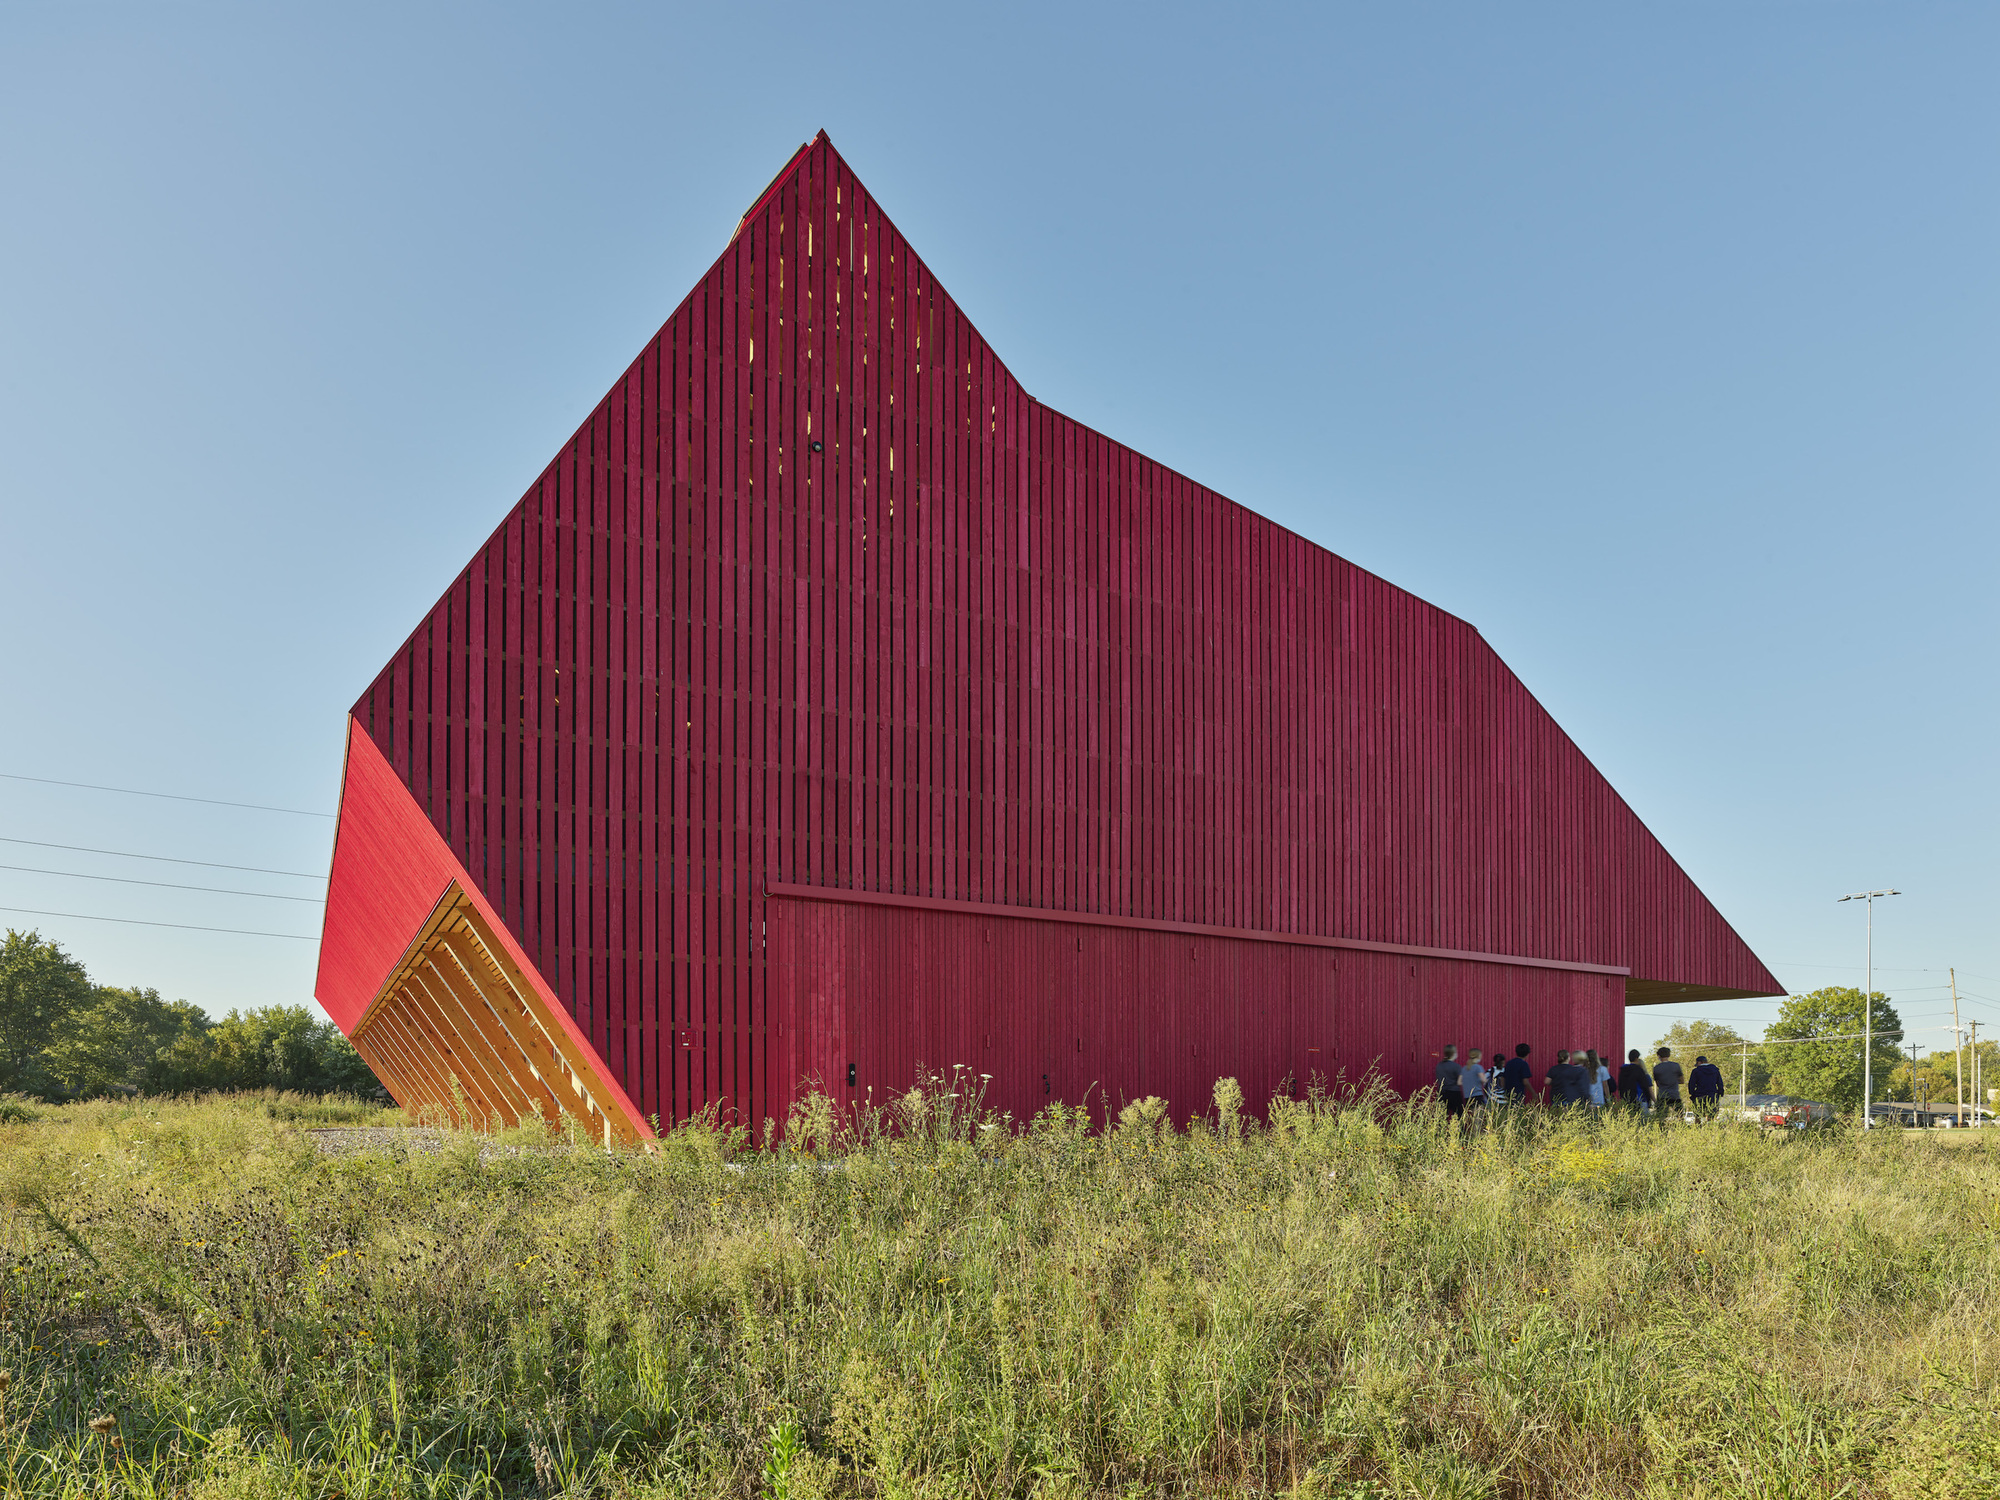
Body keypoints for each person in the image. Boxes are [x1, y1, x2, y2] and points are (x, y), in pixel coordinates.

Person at [1688, 1054, 1726, 1118]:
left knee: (1698, 1115)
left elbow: (1691, 1084)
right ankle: (1709, 1124)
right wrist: (1720, 1093)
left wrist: (1692, 1094)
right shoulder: (1715, 1070)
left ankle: (1698, 1124)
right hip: (1712, 1095)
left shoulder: (1696, 1071)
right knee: (1711, 1115)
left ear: (1700, 1062)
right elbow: (1720, 1083)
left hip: (1699, 1095)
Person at [1653, 1047, 1686, 1119]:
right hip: (1674, 1094)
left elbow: (1657, 1083)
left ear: (1659, 1056)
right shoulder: (1676, 1066)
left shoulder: (1656, 1068)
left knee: (1661, 1117)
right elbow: (1682, 1081)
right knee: (1680, 1115)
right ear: (1669, 1055)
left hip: (1662, 1095)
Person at [1434, 1045, 1466, 1118]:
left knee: (1441, 1117)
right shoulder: (1456, 1066)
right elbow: (1459, 1082)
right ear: (1454, 1054)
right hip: (1454, 1093)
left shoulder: (1439, 1065)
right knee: (1459, 1115)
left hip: (1442, 1093)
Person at [1461, 1049, 1490, 1114]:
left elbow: (1460, 1082)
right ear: (1479, 1056)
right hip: (1477, 1095)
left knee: (1473, 1115)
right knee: (1479, 1116)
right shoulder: (1478, 1067)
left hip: (1467, 1096)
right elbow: (1483, 1080)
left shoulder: (1464, 1068)